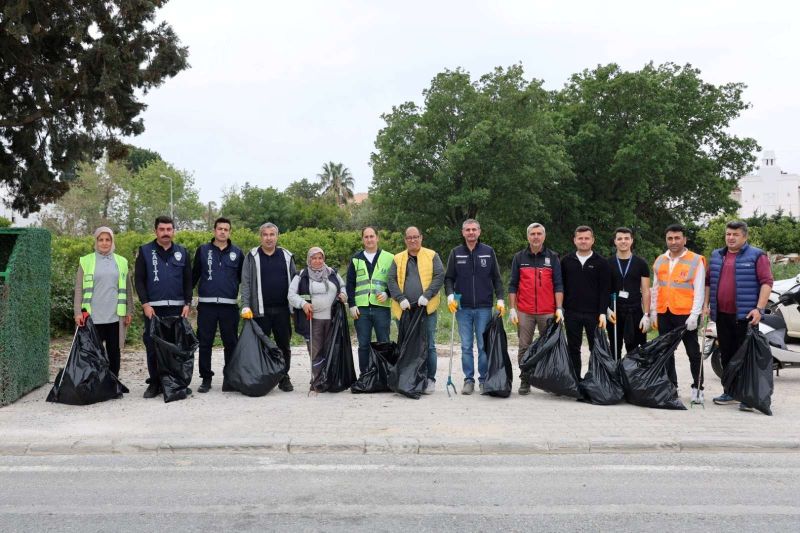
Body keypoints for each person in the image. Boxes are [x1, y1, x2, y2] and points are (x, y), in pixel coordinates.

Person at [704, 220, 773, 411]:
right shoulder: (717, 255)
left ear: (745, 236)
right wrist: (706, 305)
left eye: (735, 234)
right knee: (726, 356)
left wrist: (759, 309)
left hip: (746, 316)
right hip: (722, 315)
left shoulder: (757, 255)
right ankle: (730, 391)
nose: (731, 238)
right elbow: (709, 282)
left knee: (746, 358)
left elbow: (767, 282)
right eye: (728, 234)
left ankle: (747, 397)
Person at [444, 219, 504, 395]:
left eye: (474, 229)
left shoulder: (488, 251)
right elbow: (448, 278)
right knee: (466, 346)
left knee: (483, 346)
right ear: (463, 232)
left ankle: (483, 380)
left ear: (479, 232)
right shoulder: (456, 253)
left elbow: (497, 278)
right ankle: (468, 380)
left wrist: (500, 299)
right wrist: (449, 296)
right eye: (467, 230)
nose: (471, 232)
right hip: (462, 308)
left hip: (484, 308)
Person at [135, 216, 192, 398]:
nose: (166, 233)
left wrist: (187, 303)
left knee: (176, 348)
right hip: (154, 309)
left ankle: (177, 382)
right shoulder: (145, 251)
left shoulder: (182, 252)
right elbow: (139, 280)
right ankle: (155, 383)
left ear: (173, 231)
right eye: (162, 229)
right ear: (156, 231)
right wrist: (145, 303)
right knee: (153, 347)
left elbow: (188, 280)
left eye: (169, 229)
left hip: (177, 308)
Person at [650, 223, 706, 401]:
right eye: (670, 238)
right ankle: (671, 386)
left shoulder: (696, 260)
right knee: (666, 352)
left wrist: (694, 315)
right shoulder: (660, 260)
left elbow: (699, 290)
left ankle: (698, 388)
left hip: (685, 314)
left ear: (684, 239)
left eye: (677, 238)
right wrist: (652, 311)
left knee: (693, 352)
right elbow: (655, 287)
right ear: (666, 239)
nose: (673, 242)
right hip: (664, 312)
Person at [240, 222, 297, 392]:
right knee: (263, 346)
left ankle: (284, 376)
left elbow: (295, 282)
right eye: (265, 234)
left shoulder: (286, 256)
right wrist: (245, 305)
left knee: (284, 345)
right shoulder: (252, 256)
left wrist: (296, 308)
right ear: (260, 237)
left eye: (272, 234)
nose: (269, 238)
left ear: (277, 236)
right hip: (260, 310)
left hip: (282, 310)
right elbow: (246, 283)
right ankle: (264, 376)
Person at [507, 223, 564, 395]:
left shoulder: (553, 257)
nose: (536, 237)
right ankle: (525, 379)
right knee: (524, 346)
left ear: (544, 236)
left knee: (549, 346)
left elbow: (558, 284)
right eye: (533, 234)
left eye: (539, 234)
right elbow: (513, 285)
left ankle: (549, 381)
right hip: (524, 311)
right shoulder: (519, 257)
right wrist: (512, 308)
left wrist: (559, 308)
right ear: (528, 237)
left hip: (548, 310)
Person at [387, 226, 444, 394]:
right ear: (405, 240)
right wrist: (400, 298)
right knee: (407, 345)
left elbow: (439, 276)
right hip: (404, 310)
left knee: (429, 345)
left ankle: (429, 379)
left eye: (415, 237)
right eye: (409, 237)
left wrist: (427, 295)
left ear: (421, 237)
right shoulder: (398, 258)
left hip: (427, 309)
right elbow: (391, 279)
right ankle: (409, 377)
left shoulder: (432, 255)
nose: (412, 240)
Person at [191, 217, 244, 393]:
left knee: (231, 343)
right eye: (219, 228)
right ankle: (206, 379)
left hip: (229, 306)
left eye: (226, 229)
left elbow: (244, 280)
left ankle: (230, 378)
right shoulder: (203, 250)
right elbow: (194, 276)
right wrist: (185, 299)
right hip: (207, 306)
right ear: (214, 230)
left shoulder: (238, 252)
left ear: (230, 232)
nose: (222, 232)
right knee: (205, 343)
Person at [73, 226, 133, 378]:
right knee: (92, 352)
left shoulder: (122, 261)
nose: (104, 243)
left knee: (114, 352)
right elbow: (79, 289)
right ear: (96, 241)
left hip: (114, 316)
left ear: (112, 241)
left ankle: (113, 383)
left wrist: (129, 311)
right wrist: (77, 312)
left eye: (108, 240)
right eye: (101, 240)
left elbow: (128, 289)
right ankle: (95, 384)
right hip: (92, 316)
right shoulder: (85, 261)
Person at [289, 247, 348, 389]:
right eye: (314, 258)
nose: (317, 261)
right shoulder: (301, 275)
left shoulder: (332, 273)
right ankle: (318, 380)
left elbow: (343, 287)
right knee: (316, 351)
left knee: (331, 349)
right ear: (309, 260)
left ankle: (329, 378)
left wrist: (344, 295)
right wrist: (303, 304)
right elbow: (291, 295)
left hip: (332, 319)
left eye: (320, 258)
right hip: (312, 319)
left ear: (324, 259)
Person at [560, 225, 611, 378]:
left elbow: (605, 290)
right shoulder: (566, 261)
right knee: (573, 348)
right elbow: (560, 286)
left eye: (586, 238)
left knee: (595, 348)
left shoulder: (601, 262)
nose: (583, 241)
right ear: (574, 240)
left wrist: (603, 312)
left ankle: (593, 379)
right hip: (571, 312)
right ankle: (575, 379)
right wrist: (560, 308)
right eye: (580, 238)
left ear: (592, 240)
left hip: (594, 314)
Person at [346, 227, 394, 375]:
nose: (369, 239)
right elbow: (350, 284)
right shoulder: (356, 259)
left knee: (384, 343)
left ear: (377, 238)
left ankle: (385, 375)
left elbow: (395, 282)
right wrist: (352, 304)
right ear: (363, 240)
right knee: (363, 344)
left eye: (372, 236)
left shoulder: (389, 257)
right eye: (366, 237)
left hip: (381, 308)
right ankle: (365, 376)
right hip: (362, 310)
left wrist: (388, 294)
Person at [607, 227, 651, 357]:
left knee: (635, 350)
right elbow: (604, 289)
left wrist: (647, 314)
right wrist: (606, 309)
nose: (623, 241)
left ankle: (633, 377)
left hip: (635, 312)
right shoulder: (608, 263)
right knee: (615, 348)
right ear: (615, 241)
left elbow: (646, 290)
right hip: (614, 312)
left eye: (626, 238)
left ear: (632, 241)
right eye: (619, 238)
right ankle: (616, 376)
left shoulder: (641, 263)